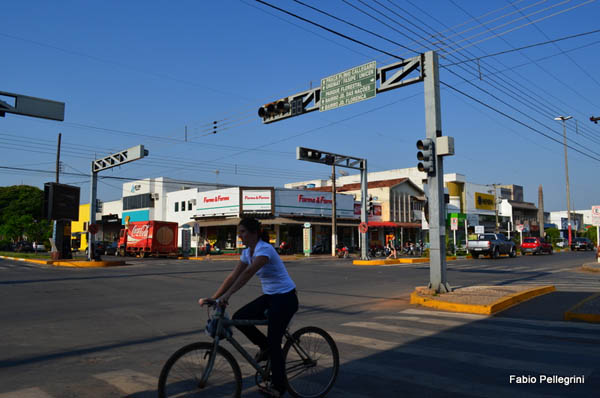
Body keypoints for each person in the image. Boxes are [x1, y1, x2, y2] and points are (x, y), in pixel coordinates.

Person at [198, 217, 298, 398]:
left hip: (285, 298)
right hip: (270, 297)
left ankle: (279, 386)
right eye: (239, 233)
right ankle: (265, 347)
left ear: (254, 232)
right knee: (239, 318)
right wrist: (214, 298)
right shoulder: (247, 253)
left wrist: (228, 296)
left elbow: (248, 273)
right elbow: (233, 276)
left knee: (275, 342)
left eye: (243, 232)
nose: (240, 236)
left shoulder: (264, 249)